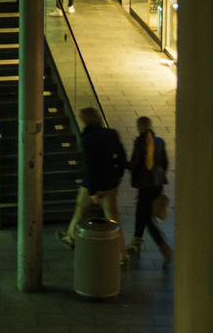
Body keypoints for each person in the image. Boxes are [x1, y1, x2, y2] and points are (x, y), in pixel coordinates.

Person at [57, 106, 129, 248]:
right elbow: (122, 156)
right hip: (111, 182)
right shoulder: (111, 133)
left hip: (93, 183)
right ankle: (121, 253)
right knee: (114, 218)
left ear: (85, 120)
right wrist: (119, 175)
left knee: (81, 210)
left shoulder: (87, 139)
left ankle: (71, 238)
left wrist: (92, 191)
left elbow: (90, 166)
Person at [127, 116, 172, 267]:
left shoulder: (140, 142)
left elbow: (133, 164)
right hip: (157, 184)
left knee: (146, 218)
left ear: (139, 127)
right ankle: (136, 242)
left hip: (145, 186)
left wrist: (121, 164)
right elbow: (165, 163)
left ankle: (164, 248)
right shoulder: (159, 141)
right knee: (141, 213)